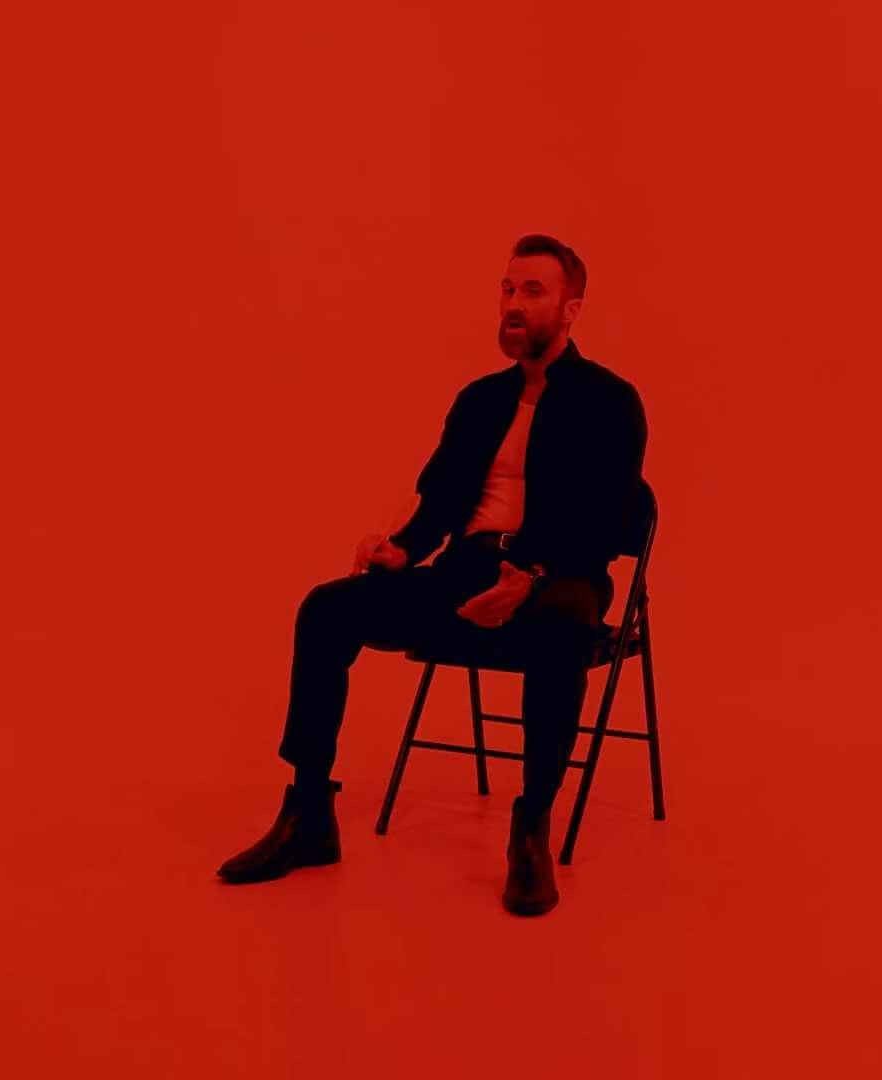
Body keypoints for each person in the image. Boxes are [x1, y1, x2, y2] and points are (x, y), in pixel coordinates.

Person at [217, 234, 648, 916]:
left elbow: (605, 517)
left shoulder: (609, 401)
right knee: (326, 608)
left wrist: (530, 573)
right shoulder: (479, 400)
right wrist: (401, 549)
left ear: (571, 309)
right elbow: (440, 500)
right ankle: (309, 813)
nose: (513, 303)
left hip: (559, 575)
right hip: (466, 573)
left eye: (533, 291)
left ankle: (531, 827)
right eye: (507, 289)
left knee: (562, 627)